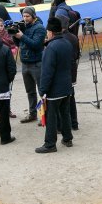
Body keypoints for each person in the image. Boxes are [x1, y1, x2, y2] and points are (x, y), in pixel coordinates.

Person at [35, 17, 74, 154]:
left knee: (51, 117)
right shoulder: (67, 43)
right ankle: (67, 138)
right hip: (67, 86)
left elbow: (47, 72)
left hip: (54, 89)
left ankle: (50, 144)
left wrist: (42, 90)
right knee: (65, 113)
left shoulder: (50, 48)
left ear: (50, 32)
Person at [12, 6, 46, 123]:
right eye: (24, 16)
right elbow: (19, 44)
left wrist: (22, 36)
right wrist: (14, 35)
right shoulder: (23, 26)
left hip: (37, 63)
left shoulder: (40, 28)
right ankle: (32, 114)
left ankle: (45, 116)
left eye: (27, 16)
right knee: (30, 91)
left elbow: (36, 44)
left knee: (42, 91)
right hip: (25, 64)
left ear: (33, 16)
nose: (25, 18)